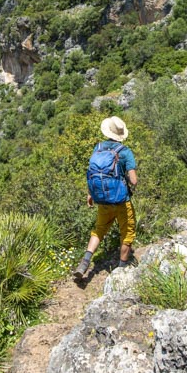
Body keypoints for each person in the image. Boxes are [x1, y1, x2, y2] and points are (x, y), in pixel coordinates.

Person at [74, 116, 138, 279]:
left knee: (99, 230)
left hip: (102, 199)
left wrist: (91, 194)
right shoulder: (125, 152)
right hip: (121, 201)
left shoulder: (98, 147)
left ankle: (85, 262)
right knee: (127, 232)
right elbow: (134, 180)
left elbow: (94, 173)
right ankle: (121, 270)